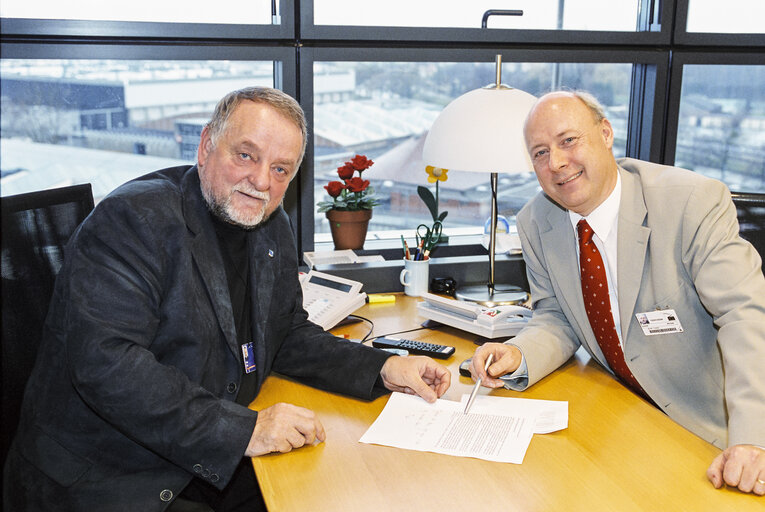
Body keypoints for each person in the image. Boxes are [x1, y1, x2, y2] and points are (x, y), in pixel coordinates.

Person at [3, 86, 451, 511]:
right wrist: (245, 429)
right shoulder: (132, 221)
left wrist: (384, 367)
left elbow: (287, 333)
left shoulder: (270, 225)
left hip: (202, 455)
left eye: (280, 169)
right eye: (245, 155)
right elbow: (108, 365)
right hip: (112, 473)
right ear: (205, 147)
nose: (260, 180)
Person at [469, 90, 765, 496]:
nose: (556, 163)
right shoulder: (536, 222)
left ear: (606, 134)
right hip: (628, 414)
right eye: (540, 153)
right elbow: (556, 315)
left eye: (568, 141)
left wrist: (752, 437)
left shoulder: (690, 202)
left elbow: (745, 314)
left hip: (713, 427)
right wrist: (518, 354)